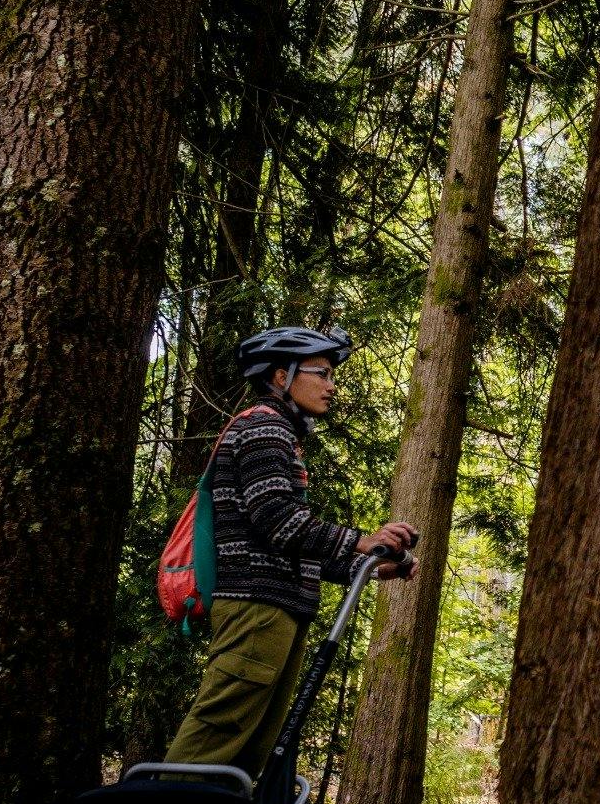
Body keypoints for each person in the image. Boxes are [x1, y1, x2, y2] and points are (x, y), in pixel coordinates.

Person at [163, 326, 415, 777]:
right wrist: (361, 539)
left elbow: (288, 542)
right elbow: (276, 518)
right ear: (282, 376)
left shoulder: (278, 432)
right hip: (256, 608)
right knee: (215, 737)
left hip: (277, 607)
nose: (331, 386)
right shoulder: (262, 426)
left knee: (248, 753)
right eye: (322, 373)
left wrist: (370, 566)